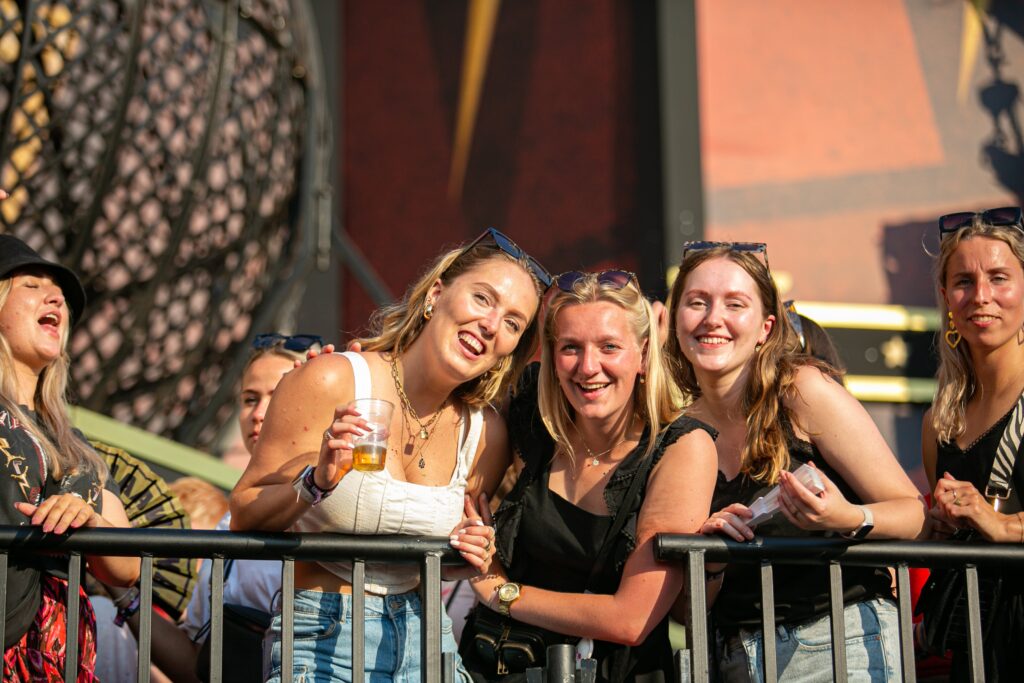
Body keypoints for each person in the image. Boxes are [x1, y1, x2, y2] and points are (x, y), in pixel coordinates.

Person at [229, 228, 549, 682]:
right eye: (482, 298)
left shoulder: (485, 434)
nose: (492, 325)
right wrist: (316, 482)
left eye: (513, 323)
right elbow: (244, 511)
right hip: (325, 636)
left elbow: (450, 558)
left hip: (426, 639)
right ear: (436, 294)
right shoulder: (332, 380)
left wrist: (472, 551)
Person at [664, 241, 926, 682]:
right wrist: (711, 562)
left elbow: (915, 514)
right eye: (697, 302)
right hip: (734, 659)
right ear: (676, 321)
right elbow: (684, 614)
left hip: (840, 643)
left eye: (734, 304)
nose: (713, 318)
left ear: (765, 328)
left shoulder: (802, 390)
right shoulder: (675, 434)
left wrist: (844, 516)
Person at [457, 270, 718, 682]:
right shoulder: (531, 415)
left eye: (609, 346)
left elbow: (631, 619)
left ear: (643, 354)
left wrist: (503, 593)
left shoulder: (682, 447)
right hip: (501, 664)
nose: (588, 367)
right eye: (571, 348)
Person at [108, 333, 324, 683]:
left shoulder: (339, 504)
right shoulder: (227, 523)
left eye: (279, 395)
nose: (259, 413)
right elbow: (197, 663)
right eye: (250, 399)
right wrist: (120, 590)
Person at [0, 233, 140, 681]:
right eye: (31, 285)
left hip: (56, 657)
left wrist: (89, 521)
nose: (55, 297)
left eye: (58, 293)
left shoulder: (75, 445)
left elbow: (128, 568)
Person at [921, 207, 1024, 681]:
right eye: (964, 281)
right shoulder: (939, 423)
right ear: (946, 298)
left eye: (999, 278)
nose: (981, 296)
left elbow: (996, 525)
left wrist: (1002, 526)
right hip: (979, 651)